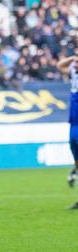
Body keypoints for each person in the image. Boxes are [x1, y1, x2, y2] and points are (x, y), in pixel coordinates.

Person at [57, 53, 78, 209]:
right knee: (75, 153)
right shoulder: (73, 71)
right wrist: (72, 59)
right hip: (73, 123)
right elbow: (60, 66)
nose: (75, 61)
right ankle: (75, 171)